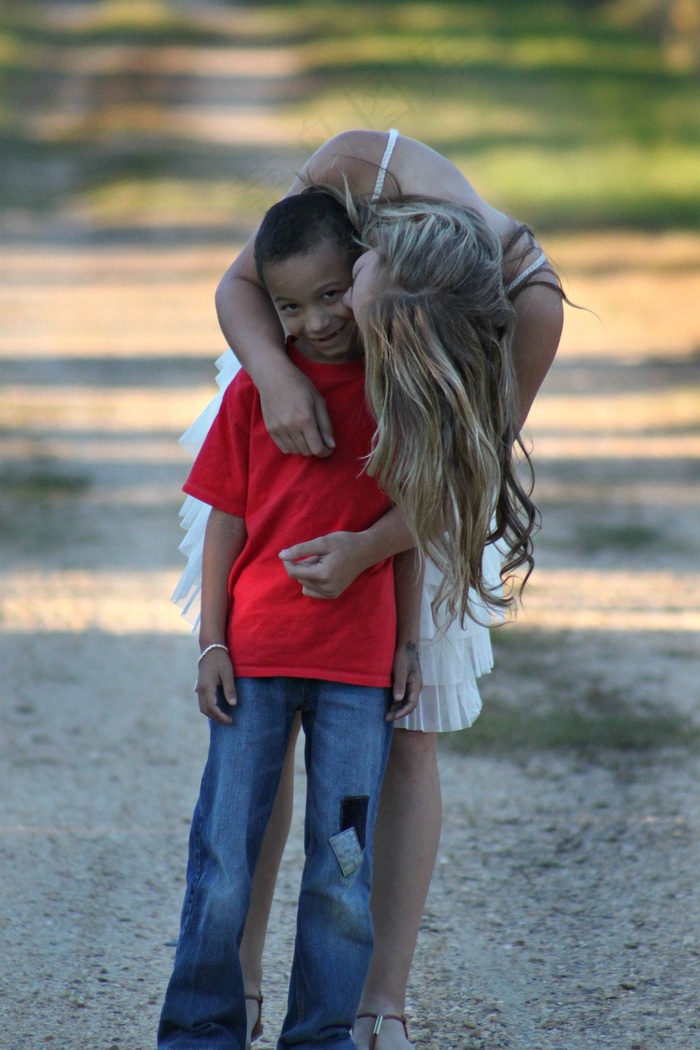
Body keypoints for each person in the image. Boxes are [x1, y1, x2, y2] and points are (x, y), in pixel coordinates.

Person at [175, 129, 565, 1050]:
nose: (349, 322)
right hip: (288, 421)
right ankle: (236, 982)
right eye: (362, 296)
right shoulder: (364, 164)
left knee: (408, 730)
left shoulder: (532, 307)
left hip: (423, 476)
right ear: (373, 248)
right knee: (261, 714)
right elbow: (243, 285)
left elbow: (466, 475)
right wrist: (276, 376)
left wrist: (366, 550)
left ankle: (374, 1000)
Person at [158, 190, 424, 1049]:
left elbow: (416, 529)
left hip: (357, 670)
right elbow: (223, 522)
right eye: (288, 306)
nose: (314, 322)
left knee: (341, 872)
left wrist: (411, 643)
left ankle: (321, 1035)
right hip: (258, 659)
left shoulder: (401, 394)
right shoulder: (255, 396)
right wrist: (212, 640)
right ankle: (200, 1031)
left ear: (367, 276)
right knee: (225, 859)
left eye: (331, 294)